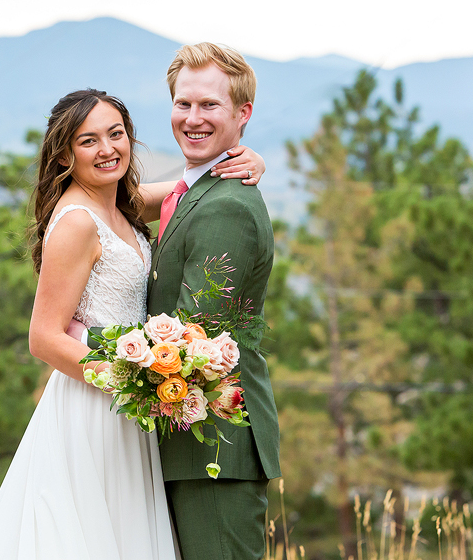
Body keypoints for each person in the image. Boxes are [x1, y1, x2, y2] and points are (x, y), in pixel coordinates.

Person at [0, 88, 265, 560]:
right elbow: (43, 338)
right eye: (89, 141)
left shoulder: (119, 203)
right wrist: (134, 380)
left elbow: (185, 192)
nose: (107, 149)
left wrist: (242, 160)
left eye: (116, 134)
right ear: (65, 153)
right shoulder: (78, 222)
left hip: (132, 406)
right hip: (95, 406)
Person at [146, 43, 281, 560]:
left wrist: (81, 342)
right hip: (188, 440)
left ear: (243, 114)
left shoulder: (227, 207)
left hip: (215, 445)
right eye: (184, 104)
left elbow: (189, 339)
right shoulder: (196, 190)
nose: (192, 118)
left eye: (210, 106)